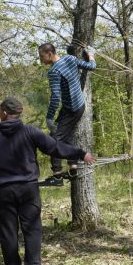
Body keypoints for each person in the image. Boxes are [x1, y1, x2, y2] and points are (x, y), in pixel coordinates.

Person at [0, 98, 95, 265]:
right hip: (28, 189)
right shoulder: (30, 131)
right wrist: (80, 153)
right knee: (32, 229)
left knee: (8, 230)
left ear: (4, 113)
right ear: (18, 113)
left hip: (3, 191)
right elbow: (55, 147)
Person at [37, 42, 96, 186]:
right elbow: (91, 66)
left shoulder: (54, 71)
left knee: (53, 140)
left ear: (49, 54)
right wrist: (91, 54)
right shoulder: (70, 58)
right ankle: (73, 169)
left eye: (41, 56)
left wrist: (49, 117)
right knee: (66, 134)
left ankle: (57, 177)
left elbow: (56, 97)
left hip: (71, 109)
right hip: (79, 106)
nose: (41, 60)